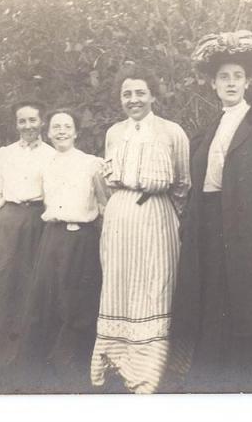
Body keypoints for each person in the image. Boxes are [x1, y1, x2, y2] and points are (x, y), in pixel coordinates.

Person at [172, 31, 252, 392]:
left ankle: (251, 380)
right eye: (223, 77)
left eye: (237, 77)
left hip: (247, 230)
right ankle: (214, 377)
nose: (230, 83)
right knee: (213, 296)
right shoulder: (207, 132)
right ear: (213, 84)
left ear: (248, 82)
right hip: (209, 223)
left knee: (248, 300)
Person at [90, 64, 192, 394]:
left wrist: (172, 220)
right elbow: (106, 183)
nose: (134, 100)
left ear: (152, 95)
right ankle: (118, 365)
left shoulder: (171, 132)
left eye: (140, 93)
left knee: (155, 285)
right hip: (120, 220)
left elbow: (182, 184)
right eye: (127, 94)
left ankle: (153, 373)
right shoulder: (113, 133)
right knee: (120, 286)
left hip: (157, 216)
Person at [0, 101, 55, 392]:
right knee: (0, 286)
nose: (28, 126)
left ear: (42, 122)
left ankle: (25, 365)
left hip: (37, 223)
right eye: (22, 121)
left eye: (33, 120)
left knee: (31, 289)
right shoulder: (5, 154)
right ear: (15, 124)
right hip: (8, 223)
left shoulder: (53, 155)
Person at [16, 109, 107, 392]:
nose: (62, 131)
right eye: (56, 127)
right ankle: (43, 365)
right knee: (46, 298)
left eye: (67, 126)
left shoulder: (92, 163)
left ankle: (77, 366)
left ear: (77, 132)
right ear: (49, 131)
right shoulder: (45, 163)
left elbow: (105, 203)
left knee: (78, 301)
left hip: (82, 239)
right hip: (52, 237)